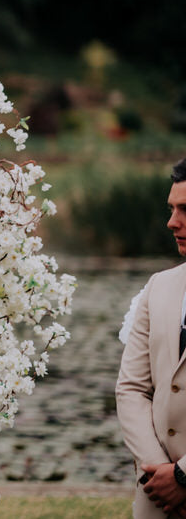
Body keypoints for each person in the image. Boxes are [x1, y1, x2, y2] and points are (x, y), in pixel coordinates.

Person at [117, 157, 186, 519]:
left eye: (185, 209)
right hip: (156, 496)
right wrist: (159, 471)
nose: (172, 222)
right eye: (172, 209)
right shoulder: (158, 287)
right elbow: (131, 388)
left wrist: (184, 476)